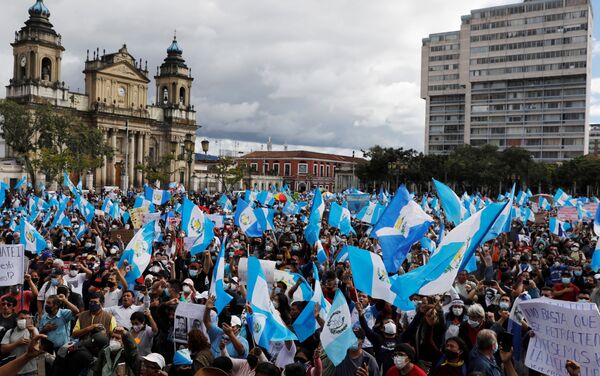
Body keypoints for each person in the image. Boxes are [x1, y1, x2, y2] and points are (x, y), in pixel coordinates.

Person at [0, 310, 39, 376]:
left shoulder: (33, 330)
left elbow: (38, 347)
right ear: (17, 319)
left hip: (30, 370)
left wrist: (33, 331)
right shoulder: (10, 331)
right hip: (14, 370)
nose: (25, 320)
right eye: (22, 318)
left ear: (30, 319)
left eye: (27, 318)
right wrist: (17, 343)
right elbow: (3, 349)